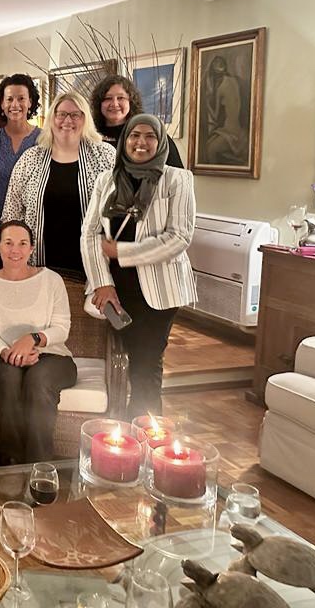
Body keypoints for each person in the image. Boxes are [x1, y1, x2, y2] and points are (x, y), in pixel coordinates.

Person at [82, 114, 197, 418]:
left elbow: (179, 238)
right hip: (114, 289)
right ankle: (117, 431)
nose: (141, 142)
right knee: (118, 361)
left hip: (157, 292)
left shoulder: (177, 180)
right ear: (125, 141)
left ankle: (144, 433)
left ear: (161, 142)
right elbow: (90, 234)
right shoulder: (107, 180)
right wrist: (102, 283)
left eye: (150, 136)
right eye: (134, 135)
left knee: (145, 368)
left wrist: (123, 253)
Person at [0, 220, 76, 463]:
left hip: (53, 357)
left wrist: (32, 339)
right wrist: (8, 353)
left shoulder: (52, 280)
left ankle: (39, 466)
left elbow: (62, 328)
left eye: (22, 244)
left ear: (31, 248)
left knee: (37, 380)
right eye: (8, 243)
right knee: (8, 378)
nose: (15, 250)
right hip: (4, 356)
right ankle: (11, 463)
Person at [3, 92, 115, 277]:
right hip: (38, 267)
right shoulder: (30, 159)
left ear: (85, 119)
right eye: (61, 114)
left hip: (92, 270)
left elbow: (121, 208)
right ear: (51, 119)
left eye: (75, 114)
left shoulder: (105, 155)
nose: (67, 120)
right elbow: (11, 214)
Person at [0, 74, 42, 229]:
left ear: (30, 102)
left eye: (21, 98)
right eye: (9, 99)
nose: (15, 105)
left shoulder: (45, 140)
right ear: (2, 104)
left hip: (34, 229)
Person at [90, 75, 183, 168]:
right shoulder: (90, 137)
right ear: (99, 103)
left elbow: (177, 173)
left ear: (131, 101)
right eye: (107, 98)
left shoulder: (153, 133)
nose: (114, 104)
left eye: (120, 98)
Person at [200, 55, 248, 166]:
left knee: (209, 149)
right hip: (237, 127)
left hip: (230, 130)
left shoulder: (220, 89)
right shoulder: (235, 81)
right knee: (209, 144)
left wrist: (207, 103)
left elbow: (215, 117)